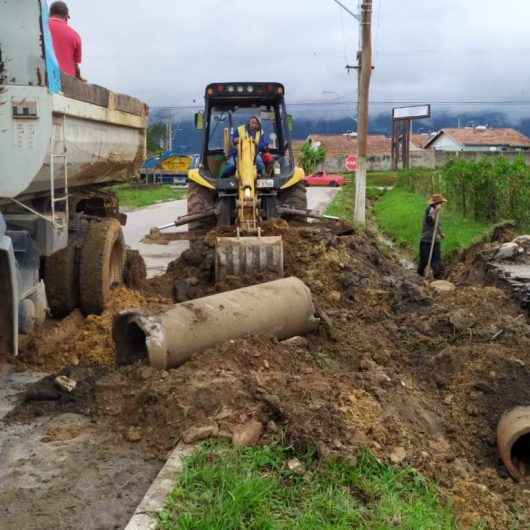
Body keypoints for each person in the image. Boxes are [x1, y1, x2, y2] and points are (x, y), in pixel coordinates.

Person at [48, 2, 83, 80]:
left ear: (49, 14)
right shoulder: (75, 36)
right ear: (66, 16)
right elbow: (75, 64)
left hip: (45, 79)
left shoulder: (40, 29)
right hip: (67, 83)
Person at [418, 193, 447, 278]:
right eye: (441, 203)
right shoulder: (430, 209)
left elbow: (437, 224)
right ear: (436, 204)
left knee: (437, 260)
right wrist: (435, 211)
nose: (442, 205)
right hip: (426, 240)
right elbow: (430, 220)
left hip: (436, 240)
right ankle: (420, 276)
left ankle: (437, 276)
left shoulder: (437, 212)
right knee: (424, 260)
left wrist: (441, 233)